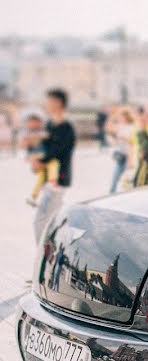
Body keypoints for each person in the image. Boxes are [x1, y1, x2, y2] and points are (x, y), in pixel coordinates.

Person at [30, 89, 75, 244]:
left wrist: (41, 160)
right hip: (47, 178)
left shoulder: (66, 127)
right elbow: (44, 149)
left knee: (41, 220)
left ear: (58, 103)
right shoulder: (49, 124)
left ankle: (45, 255)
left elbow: (59, 151)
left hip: (58, 179)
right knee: (53, 218)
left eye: (49, 101)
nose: (46, 104)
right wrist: (36, 161)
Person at [19, 112, 58, 207]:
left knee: (44, 175)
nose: (34, 124)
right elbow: (23, 146)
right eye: (31, 122)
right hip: (37, 157)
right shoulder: (26, 133)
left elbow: (46, 136)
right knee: (50, 167)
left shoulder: (41, 131)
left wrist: (35, 137)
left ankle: (34, 196)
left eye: (36, 122)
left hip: (44, 156)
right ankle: (51, 184)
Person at [107, 107, 137, 193]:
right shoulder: (120, 126)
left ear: (126, 117)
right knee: (116, 180)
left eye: (121, 116)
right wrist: (112, 116)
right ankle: (112, 194)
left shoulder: (131, 127)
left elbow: (132, 144)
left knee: (127, 180)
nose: (119, 118)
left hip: (128, 157)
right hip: (120, 156)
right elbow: (108, 129)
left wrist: (130, 159)